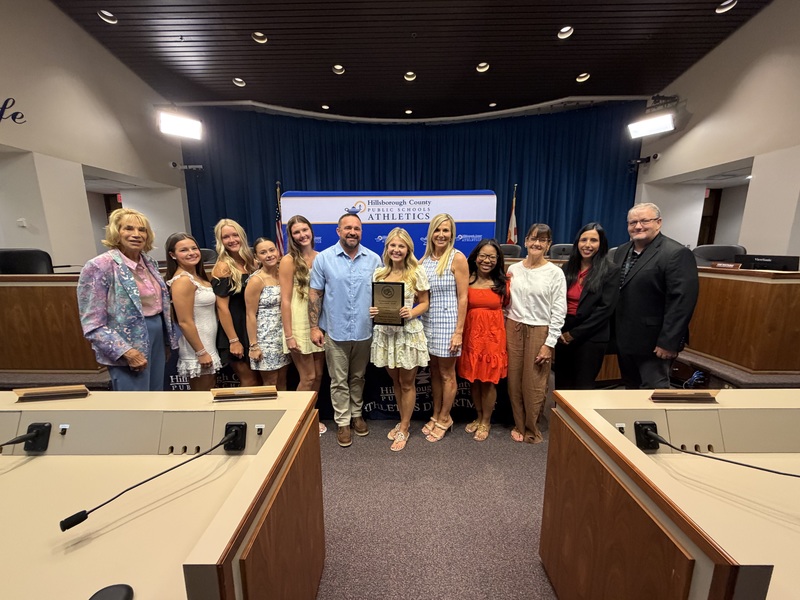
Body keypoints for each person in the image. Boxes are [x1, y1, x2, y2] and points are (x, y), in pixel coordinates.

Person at [77, 208, 179, 391]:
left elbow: (159, 306)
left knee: (157, 397)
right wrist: (126, 352)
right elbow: (92, 324)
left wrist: (165, 340)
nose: (136, 234)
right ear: (116, 232)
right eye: (128, 228)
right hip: (127, 343)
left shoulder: (149, 263)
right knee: (136, 402)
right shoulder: (99, 266)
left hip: (156, 335)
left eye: (142, 230)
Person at [309, 213, 382, 447]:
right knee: (338, 380)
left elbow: (383, 293)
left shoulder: (374, 259)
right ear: (338, 231)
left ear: (361, 232)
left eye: (357, 229)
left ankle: (357, 414)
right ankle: (342, 421)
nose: (353, 232)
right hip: (335, 331)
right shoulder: (324, 259)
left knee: (358, 377)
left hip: (364, 331)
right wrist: (313, 326)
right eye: (348, 228)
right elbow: (315, 294)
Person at [613, 203, 699, 389]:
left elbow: (682, 301)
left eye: (644, 221)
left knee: (653, 393)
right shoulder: (621, 251)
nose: (638, 226)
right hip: (625, 338)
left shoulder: (676, 253)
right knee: (630, 389)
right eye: (632, 222)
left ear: (658, 223)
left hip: (654, 344)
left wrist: (669, 342)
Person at [369, 227, 430, 451]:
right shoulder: (379, 273)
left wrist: (411, 312)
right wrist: (374, 311)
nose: (396, 249)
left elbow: (424, 302)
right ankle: (401, 420)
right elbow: (376, 301)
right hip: (386, 334)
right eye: (392, 245)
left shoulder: (416, 272)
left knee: (407, 383)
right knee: (395, 381)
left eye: (401, 246)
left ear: (408, 249)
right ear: (387, 248)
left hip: (407, 335)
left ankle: (404, 427)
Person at [506, 223, 567, 444]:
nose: (536, 244)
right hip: (513, 327)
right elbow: (507, 301)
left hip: (540, 330)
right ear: (525, 241)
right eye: (533, 238)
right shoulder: (513, 269)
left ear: (549, 244)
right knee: (514, 381)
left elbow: (559, 310)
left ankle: (532, 429)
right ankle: (518, 424)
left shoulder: (555, 273)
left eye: (542, 240)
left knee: (534, 382)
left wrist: (548, 343)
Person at [419, 213, 468, 443]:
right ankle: (436, 413)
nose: (441, 235)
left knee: (448, 374)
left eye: (446, 230)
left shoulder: (457, 258)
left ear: (452, 234)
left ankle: (446, 418)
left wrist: (459, 331)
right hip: (428, 322)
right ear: (431, 233)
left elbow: (464, 297)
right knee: (434, 372)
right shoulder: (425, 260)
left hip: (449, 324)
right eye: (437, 230)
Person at [554, 223, 620, 390]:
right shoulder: (567, 268)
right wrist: (560, 331)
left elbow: (605, 309)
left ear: (601, 244)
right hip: (563, 333)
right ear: (577, 243)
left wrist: (574, 334)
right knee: (562, 384)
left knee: (582, 387)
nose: (587, 245)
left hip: (591, 336)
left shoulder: (610, 270)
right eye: (584, 240)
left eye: (593, 240)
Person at [279, 215, 327, 434]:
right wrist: (289, 335)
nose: (302, 235)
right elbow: (286, 300)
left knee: (317, 376)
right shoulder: (288, 260)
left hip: (319, 322)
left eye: (304, 230)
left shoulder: (321, 257)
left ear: (311, 231)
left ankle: (310, 418)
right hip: (298, 323)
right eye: (296, 232)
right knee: (306, 377)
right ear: (291, 236)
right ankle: (296, 423)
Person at [457, 239, 509, 442]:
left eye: (492, 257)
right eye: (483, 256)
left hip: (492, 340)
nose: (487, 260)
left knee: (488, 382)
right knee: (474, 380)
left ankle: (486, 420)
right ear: (476, 257)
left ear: (498, 260)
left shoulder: (503, 282)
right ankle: (478, 416)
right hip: (471, 337)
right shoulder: (466, 279)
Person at [165, 232, 222, 391]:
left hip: (208, 343)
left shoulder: (198, 277)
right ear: (172, 255)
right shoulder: (183, 280)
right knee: (202, 396)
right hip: (197, 347)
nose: (191, 253)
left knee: (209, 391)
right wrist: (201, 352)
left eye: (194, 248)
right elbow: (184, 322)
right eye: (183, 250)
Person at [211, 218, 260, 387]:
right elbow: (222, 308)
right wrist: (234, 340)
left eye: (235, 235)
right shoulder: (223, 267)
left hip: (252, 329)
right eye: (226, 237)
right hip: (235, 331)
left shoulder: (252, 263)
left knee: (261, 381)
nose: (232, 240)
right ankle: (246, 414)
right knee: (249, 381)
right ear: (220, 241)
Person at [246, 237, 291, 387]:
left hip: (283, 337)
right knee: (270, 383)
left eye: (272, 250)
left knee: (283, 381)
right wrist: (254, 345)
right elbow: (250, 314)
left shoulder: (283, 274)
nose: (269, 255)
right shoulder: (256, 280)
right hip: (265, 340)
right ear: (257, 257)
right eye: (263, 252)